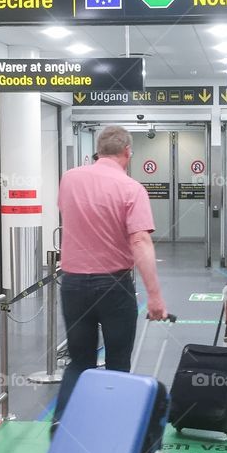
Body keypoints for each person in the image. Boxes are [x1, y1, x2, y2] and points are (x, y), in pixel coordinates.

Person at [53, 126, 167, 430]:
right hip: (114, 286)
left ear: (98, 150)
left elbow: (67, 213)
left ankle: (65, 423)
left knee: (80, 361)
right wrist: (154, 296)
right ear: (128, 151)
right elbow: (140, 241)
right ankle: (112, 429)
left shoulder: (70, 179)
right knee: (117, 360)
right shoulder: (131, 188)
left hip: (73, 284)